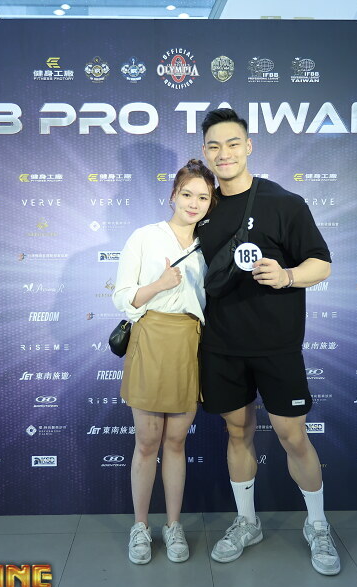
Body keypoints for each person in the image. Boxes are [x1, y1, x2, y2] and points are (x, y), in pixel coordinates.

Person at [196, 108, 339, 575]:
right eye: (214, 146)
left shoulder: (284, 202)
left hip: (277, 346)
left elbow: (322, 263)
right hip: (221, 346)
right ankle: (247, 522)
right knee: (237, 433)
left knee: (292, 436)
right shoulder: (202, 208)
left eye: (233, 143)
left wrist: (287, 276)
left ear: (249, 146)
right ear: (205, 153)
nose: (224, 153)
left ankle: (318, 525)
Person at [112, 158, 217, 565]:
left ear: (211, 203)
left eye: (202, 197)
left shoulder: (211, 244)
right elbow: (123, 297)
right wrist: (158, 284)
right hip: (150, 337)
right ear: (173, 195)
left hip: (190, 342)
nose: (193, 203)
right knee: (146, 442)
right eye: (187, 194)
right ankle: (140, 527)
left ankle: (173, 526)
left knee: (176, 442)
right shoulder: (145, 236)